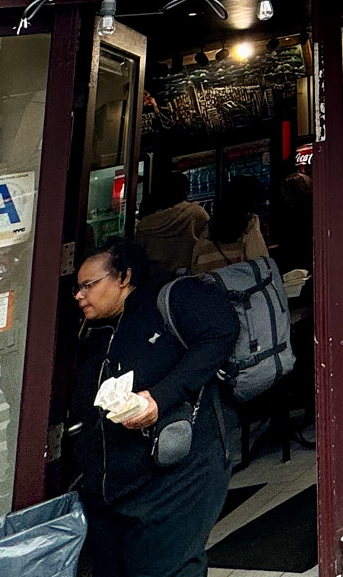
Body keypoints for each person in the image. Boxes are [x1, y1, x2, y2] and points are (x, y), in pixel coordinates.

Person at [67, 238, 239, 577]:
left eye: (89, 285)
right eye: (77, 287)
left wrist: (160, 398)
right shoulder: (96, 328)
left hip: (178, 475)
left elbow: (222, 331)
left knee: (169, 569)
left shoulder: (171, 300)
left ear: (123, 277)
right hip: (112, 489)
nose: (79, 295)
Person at [135, 170, 209, 276]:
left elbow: (139, 258)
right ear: (185, 191)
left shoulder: (144, 226)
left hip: (155, 283)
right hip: (188, 279)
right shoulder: (196, 214)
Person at [194, 176, 269, 273]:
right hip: (239, 283)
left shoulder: (209, 227)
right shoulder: (251, 224)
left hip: (209, 282)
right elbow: (260, 262)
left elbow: (195, 262)